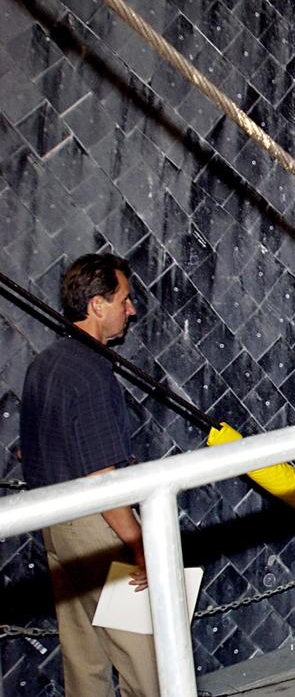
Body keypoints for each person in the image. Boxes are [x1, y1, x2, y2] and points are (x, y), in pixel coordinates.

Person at [19, 253, 161, 697]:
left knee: (84, 661)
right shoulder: (93, 372)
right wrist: (141, 545)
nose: (132, 309)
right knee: (142, 658)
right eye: (124, 299)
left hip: (53, 524)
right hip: (97, 527)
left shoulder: (45, 364)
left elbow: (30, 451)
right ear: (97, 305)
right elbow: (102, 479)